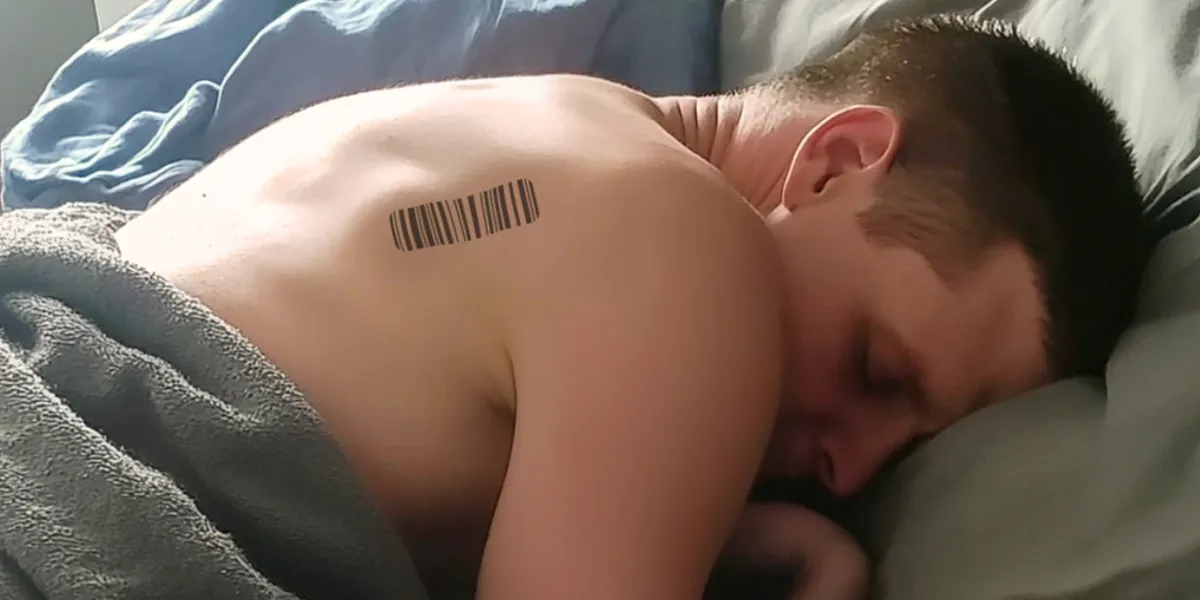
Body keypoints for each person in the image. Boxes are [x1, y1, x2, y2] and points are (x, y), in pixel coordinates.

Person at [110, 13, 1149, 600]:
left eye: (911, 449)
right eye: (877, 371)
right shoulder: (687, 241)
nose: (855, 468)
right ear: (834, 163)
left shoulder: (547, 125)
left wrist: (742, 540)